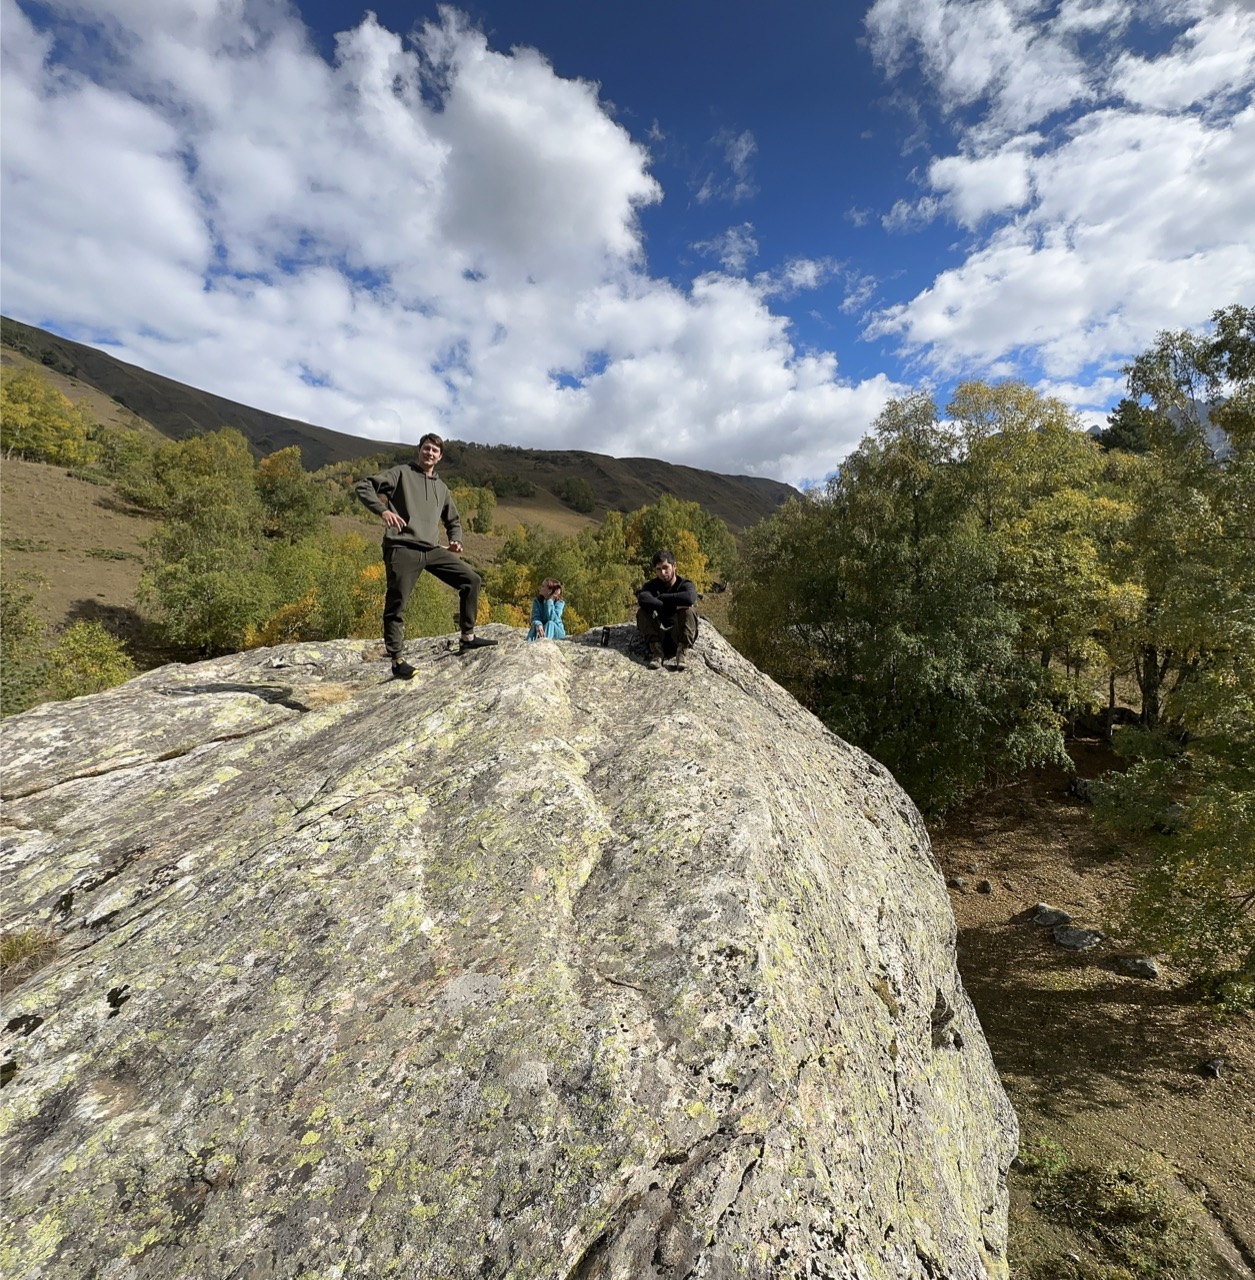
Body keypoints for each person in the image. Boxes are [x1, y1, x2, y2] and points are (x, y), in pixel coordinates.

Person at [355, 432, 497, 679]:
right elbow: (363, 486)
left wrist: (456, 540)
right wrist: (382, 510)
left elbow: (453, 520)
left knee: (471, 580)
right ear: (419, 450)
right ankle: (397, 660)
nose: (430, 453)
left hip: (432, 550)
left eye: (434, 450)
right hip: (402, 547)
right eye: (426, 448)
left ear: (439, 457)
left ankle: (467, 637)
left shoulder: (441, 488)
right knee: (397, 603)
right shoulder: (401, 473)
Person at [635, 549, 698, 671]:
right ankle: (657, 653)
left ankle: (682, 653)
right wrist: (673, 606)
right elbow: (642, 598)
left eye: (665, 568)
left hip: (678, 635)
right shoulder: (651, 586)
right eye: (658, 569)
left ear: (674, 566)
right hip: (659, 636)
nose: (662, 573)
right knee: (642, 612)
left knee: (689, 611)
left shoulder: (684, 584)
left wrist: (661, 598)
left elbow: (689, 598)